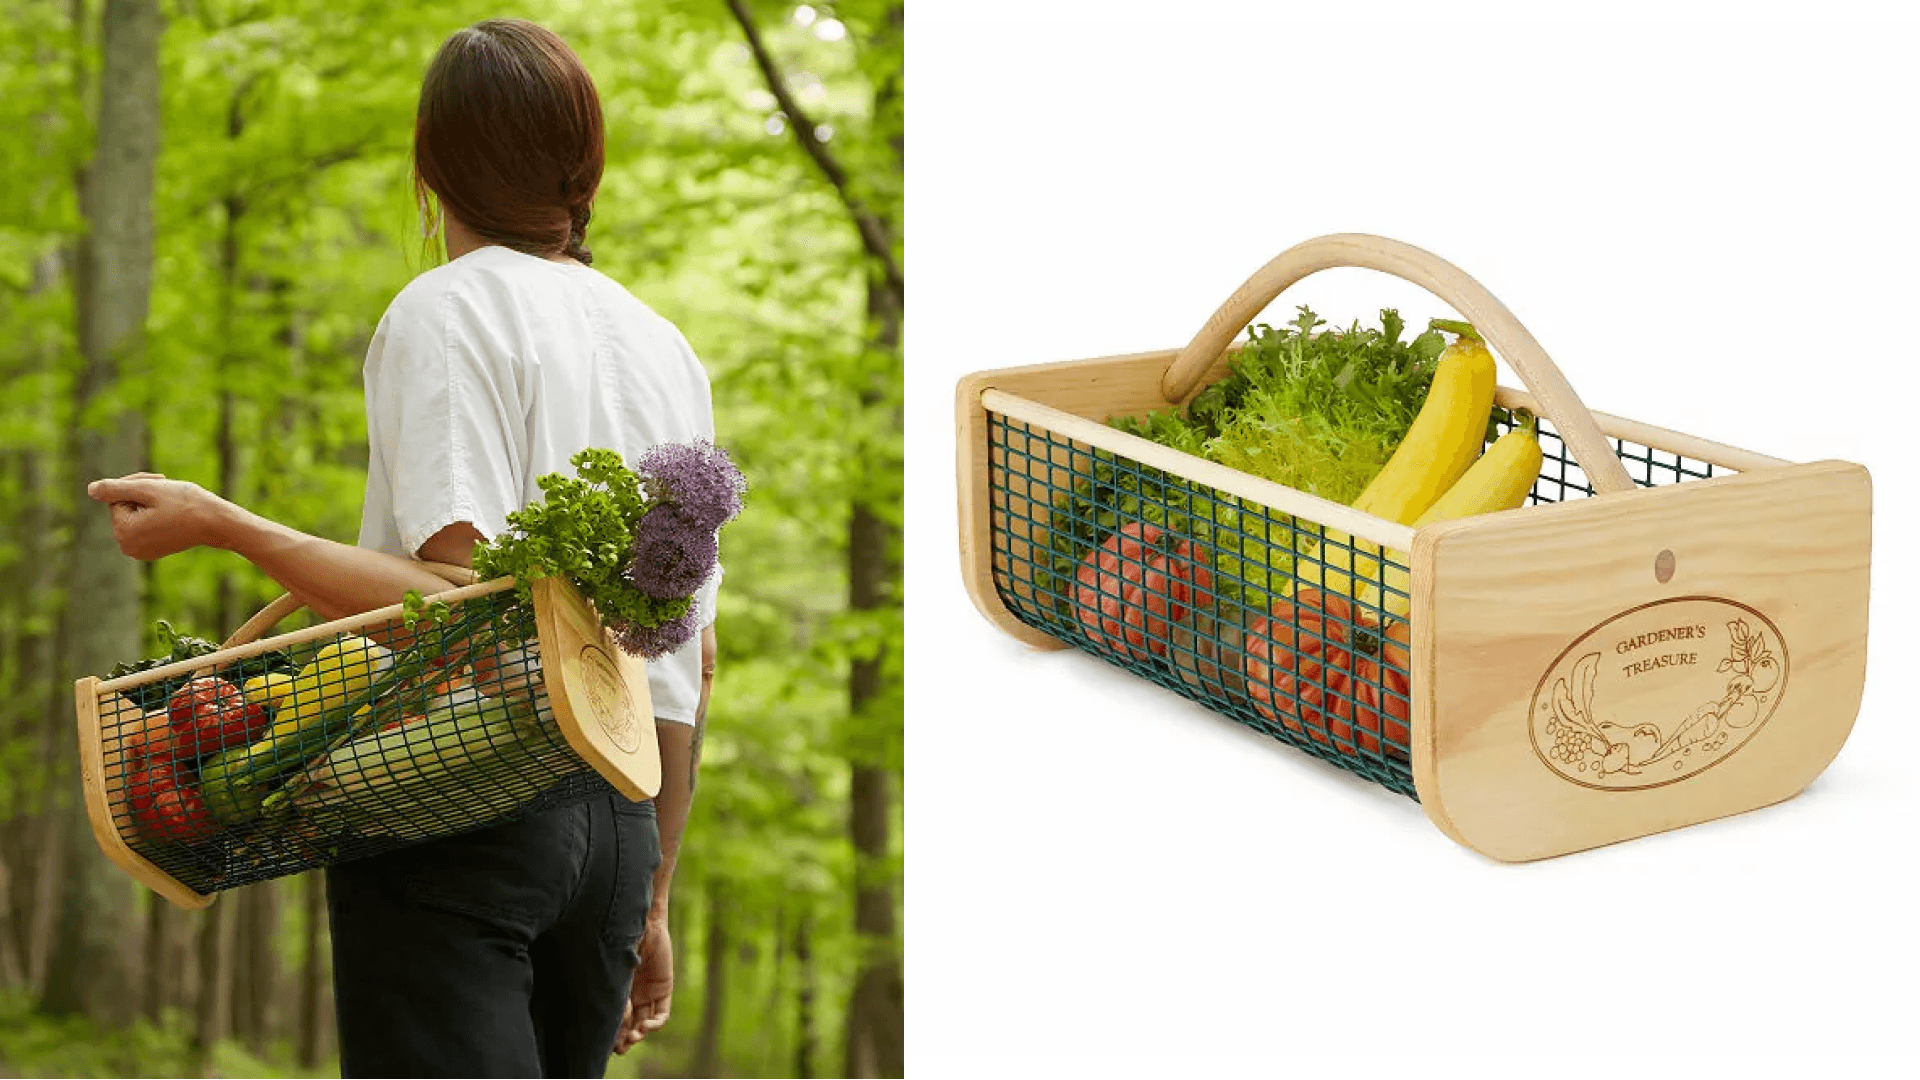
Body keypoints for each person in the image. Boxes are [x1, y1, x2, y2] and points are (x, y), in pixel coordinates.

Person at [84, 19, 714, 1077]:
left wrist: (227, 525)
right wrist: (651, 896)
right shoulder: (665, 348)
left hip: (463, 798)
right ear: (583, 165)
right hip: (619, 819)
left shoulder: (447, 310)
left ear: (432, 168)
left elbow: (459, 606)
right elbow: (689, 657)